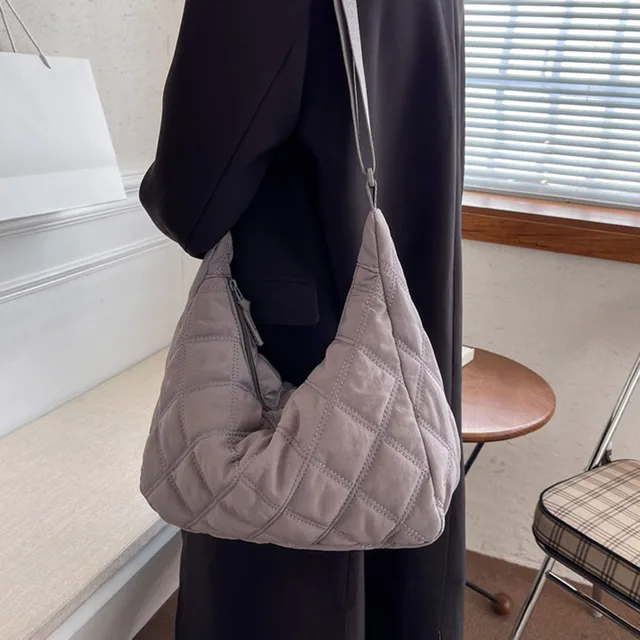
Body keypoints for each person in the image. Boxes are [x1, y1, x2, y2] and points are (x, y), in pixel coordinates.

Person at [140, 0, 465, 638]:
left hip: (297, 341)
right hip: (411, 297)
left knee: (283, 582)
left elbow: (192, 200)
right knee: (392, 553)